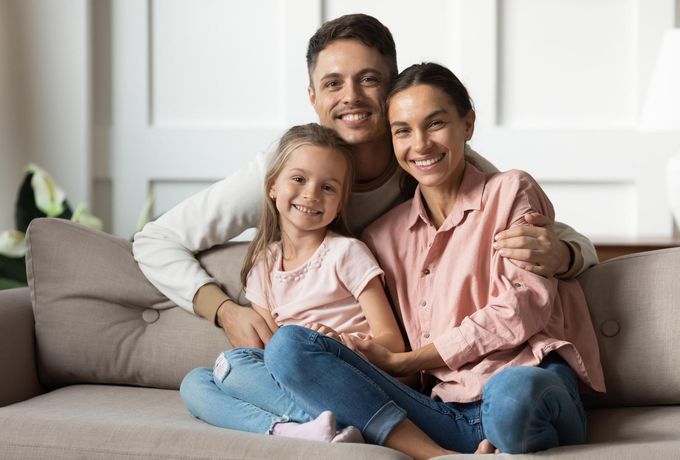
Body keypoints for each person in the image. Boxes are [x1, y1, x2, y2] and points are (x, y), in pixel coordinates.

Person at [132, 14, 598, 349]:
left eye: (369, 79)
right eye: (333, 84)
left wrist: (563, 254)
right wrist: (224, 310)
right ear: (313, 98)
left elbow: (568, 239)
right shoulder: (286, 173)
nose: (351, 97)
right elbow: (155, 240)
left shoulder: (432, 159)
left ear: (394, 89)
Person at [260, 63, 606, 458]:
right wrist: (357, 351)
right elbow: (395, 360)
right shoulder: (381, 237)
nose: (420, 144)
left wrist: (405, 359)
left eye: (436, 123)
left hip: (526, 384)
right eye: (403, 131)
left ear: (468, 125)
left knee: (512, 397)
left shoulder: (510, 191)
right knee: (288, 346)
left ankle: (503, 438)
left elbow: (522, 309)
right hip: (443, 415)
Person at [179, 123, 405, 443]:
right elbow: (267, 351)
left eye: (328, 187)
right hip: (291, 380)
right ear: (273, 187)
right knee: (197, 382)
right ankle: (298, 429)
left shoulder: (346, 253)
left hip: (346, 377)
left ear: (341, 202)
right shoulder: (264, 264)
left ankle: (322, 422)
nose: (311, 194)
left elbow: (393, 342)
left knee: (231, 364)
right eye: (298, 179)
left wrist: (342, 342)